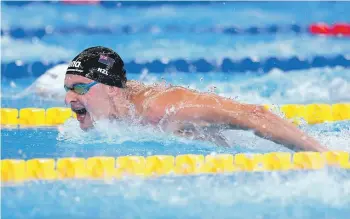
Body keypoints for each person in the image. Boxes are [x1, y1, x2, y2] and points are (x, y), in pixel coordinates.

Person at [64, 46, 328, 152]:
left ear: (111, 89)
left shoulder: (164, 109)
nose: (68, 99)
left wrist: (325, 157)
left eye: (79, 88)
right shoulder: (115, 108)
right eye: (67, 89)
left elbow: (256, 114)